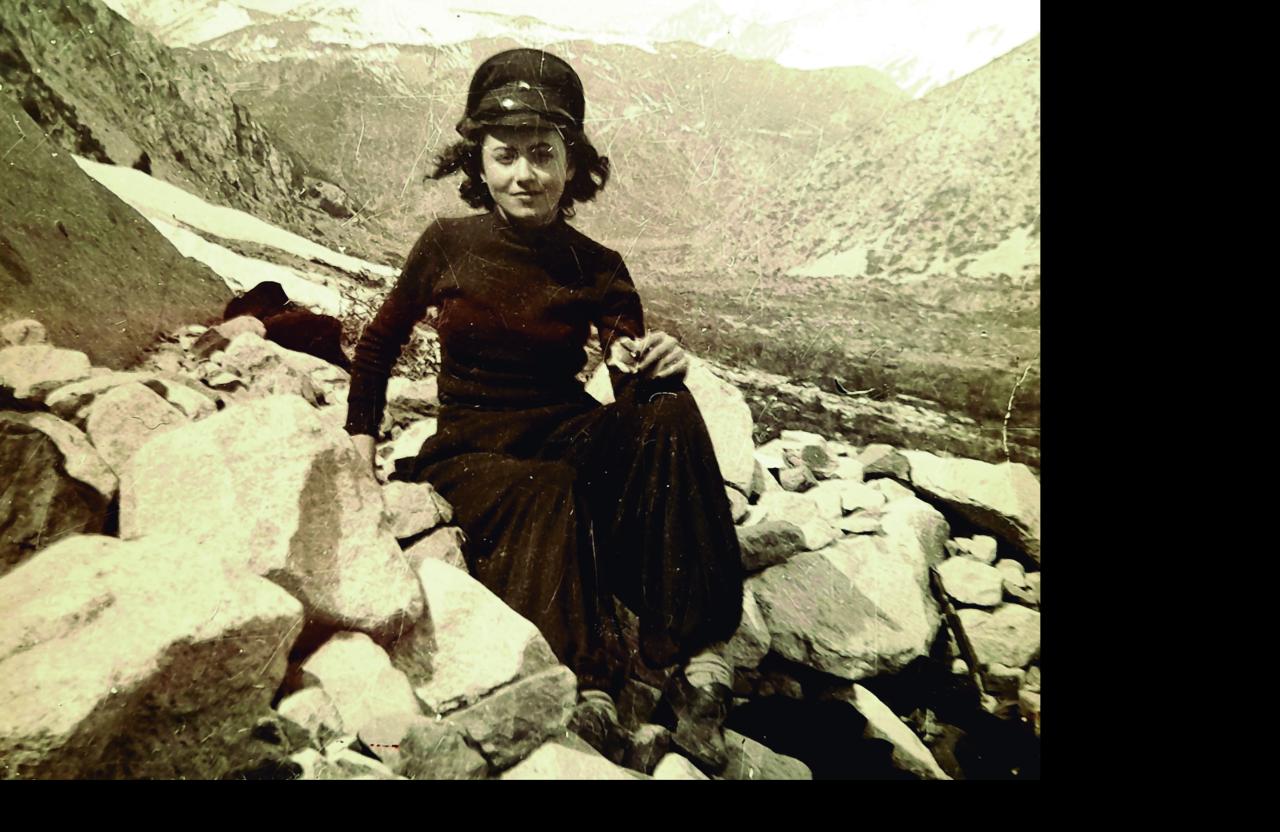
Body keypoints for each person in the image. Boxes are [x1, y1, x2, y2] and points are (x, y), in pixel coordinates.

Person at [344, 48, 744, 771]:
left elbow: (629, 384)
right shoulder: (446, 244)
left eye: (543, 154)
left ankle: (697, 653)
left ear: (572, 162)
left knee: (670, 406)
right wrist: (358, 449)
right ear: (479, 163)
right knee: (547, 489)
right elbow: (377, 347)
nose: (524, 174)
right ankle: (586, 686)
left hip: (564, 431)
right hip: (474, 451)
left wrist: (659, 367)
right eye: (505, 156)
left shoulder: (599, 265)